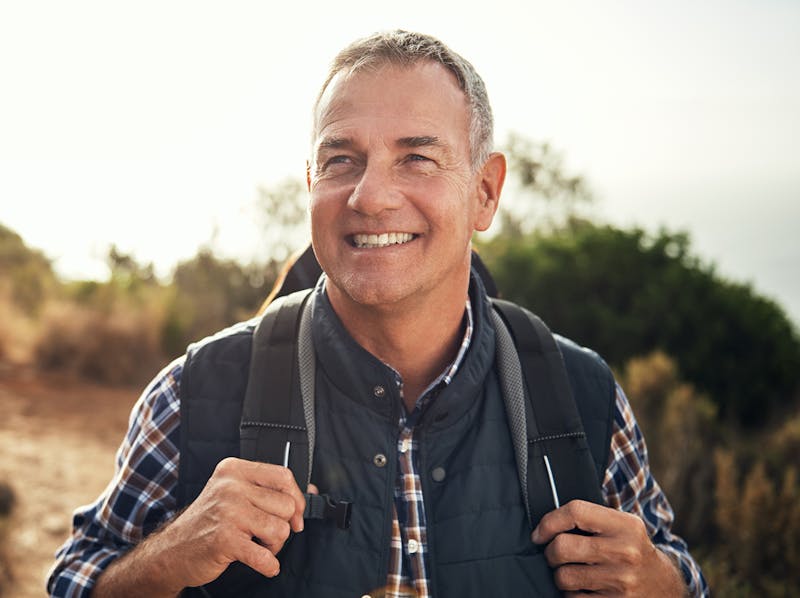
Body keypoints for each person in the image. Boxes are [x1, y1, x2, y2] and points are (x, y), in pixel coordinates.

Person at [48, 30, 709, 597]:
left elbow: (678, 577)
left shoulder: (583, 395)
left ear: (485, 191)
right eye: (342, 160)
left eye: (416, 158)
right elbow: (77, 576)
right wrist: (169, 557)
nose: (369, 196)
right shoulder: (192, 394)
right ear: (311, 184)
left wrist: (661, 581)